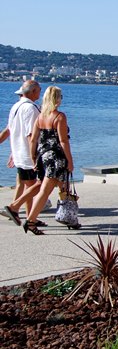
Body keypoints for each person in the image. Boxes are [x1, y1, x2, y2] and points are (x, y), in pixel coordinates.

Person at [24, 86, 74, 235]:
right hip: (56, 157)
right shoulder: (59, 117)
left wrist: (34, 158)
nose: (61, 99)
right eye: (60, 96)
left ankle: (70, 217)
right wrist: (70, 161)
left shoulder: (41, 117)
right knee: (46, 190)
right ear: (56, 98)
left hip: (44, 156)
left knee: (64, 188)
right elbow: (63, 140)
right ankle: (31, 220)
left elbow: (33, 139)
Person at [0, 80, 43, 226]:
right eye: (38, 90)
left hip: (19, 152)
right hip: (27, 154)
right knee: (35, 186)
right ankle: (18, 210)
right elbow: (32, 134)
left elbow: (9, 130)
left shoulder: (15, 106)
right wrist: (35, 155)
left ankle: (30, 217)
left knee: (27, 185)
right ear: (32, 92)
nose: (40, 93)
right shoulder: (31, 109)